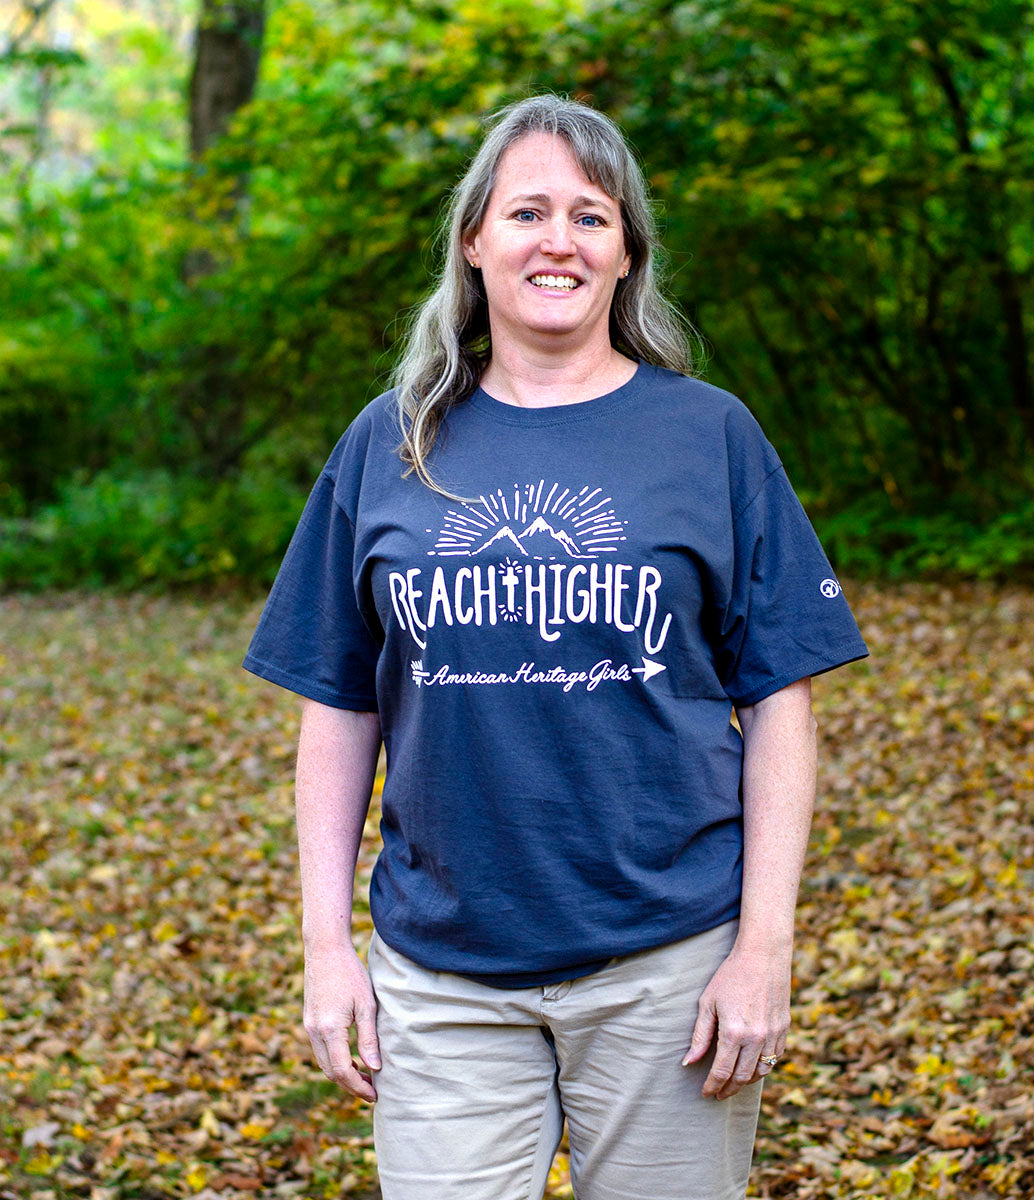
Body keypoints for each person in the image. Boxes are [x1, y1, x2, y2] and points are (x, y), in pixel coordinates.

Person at [243, 93, 868, 1200]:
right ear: (474, 241)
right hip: (441, 974)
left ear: (627, 253)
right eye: (527, 212)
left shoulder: (709, 435)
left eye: (591, 216)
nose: (558, 241)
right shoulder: (391, 441)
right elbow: (338, 705)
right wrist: (325, 948)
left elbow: (781, 699)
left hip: (669, 964)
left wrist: (763, 948)